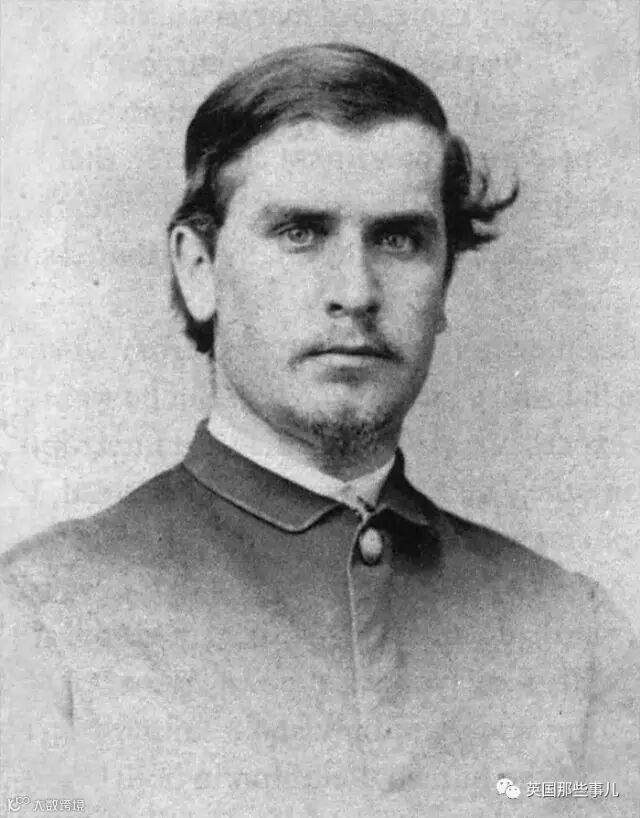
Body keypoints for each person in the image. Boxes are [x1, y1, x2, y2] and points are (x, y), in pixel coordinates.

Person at [1, 43, 638, 817]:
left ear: (444, 284)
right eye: (300, 233)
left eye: (399, 239)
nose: (355, 291)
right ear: (199, 270)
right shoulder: (40, 619)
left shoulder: (570, 632)